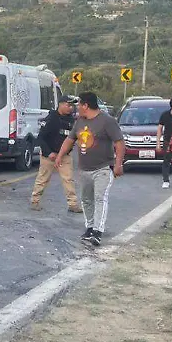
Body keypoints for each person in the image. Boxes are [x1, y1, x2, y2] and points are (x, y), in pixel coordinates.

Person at [55, 92, 123, 246]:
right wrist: (60, 155)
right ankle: (89, 227)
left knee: (100, 198)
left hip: (103, 168)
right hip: (84, 168)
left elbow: (119, 142)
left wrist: (118, 164)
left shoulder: (107, 121)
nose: (76, 107)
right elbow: (70, 139)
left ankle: (98, 231)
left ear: (86, 105)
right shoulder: (79, 121)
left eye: (78, 105)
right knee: (86, 199)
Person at [31, 96, 82, 213]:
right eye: (68, 105)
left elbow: (73, 137)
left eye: (72, 106)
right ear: (61, 104)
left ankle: (73, 204)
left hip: (64, 155)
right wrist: (49, 153)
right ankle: (35, 201)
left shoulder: (71, 120)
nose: (70, 108)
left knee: (68, 179)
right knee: (42, 179)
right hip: (49, 155)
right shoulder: (51, 118)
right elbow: (40, 138)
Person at [157, 97, 172, 190]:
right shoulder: (165, 115)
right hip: (168, 141)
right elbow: (160, 128)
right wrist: (158, 143)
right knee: (166, 160)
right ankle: (166, 180)